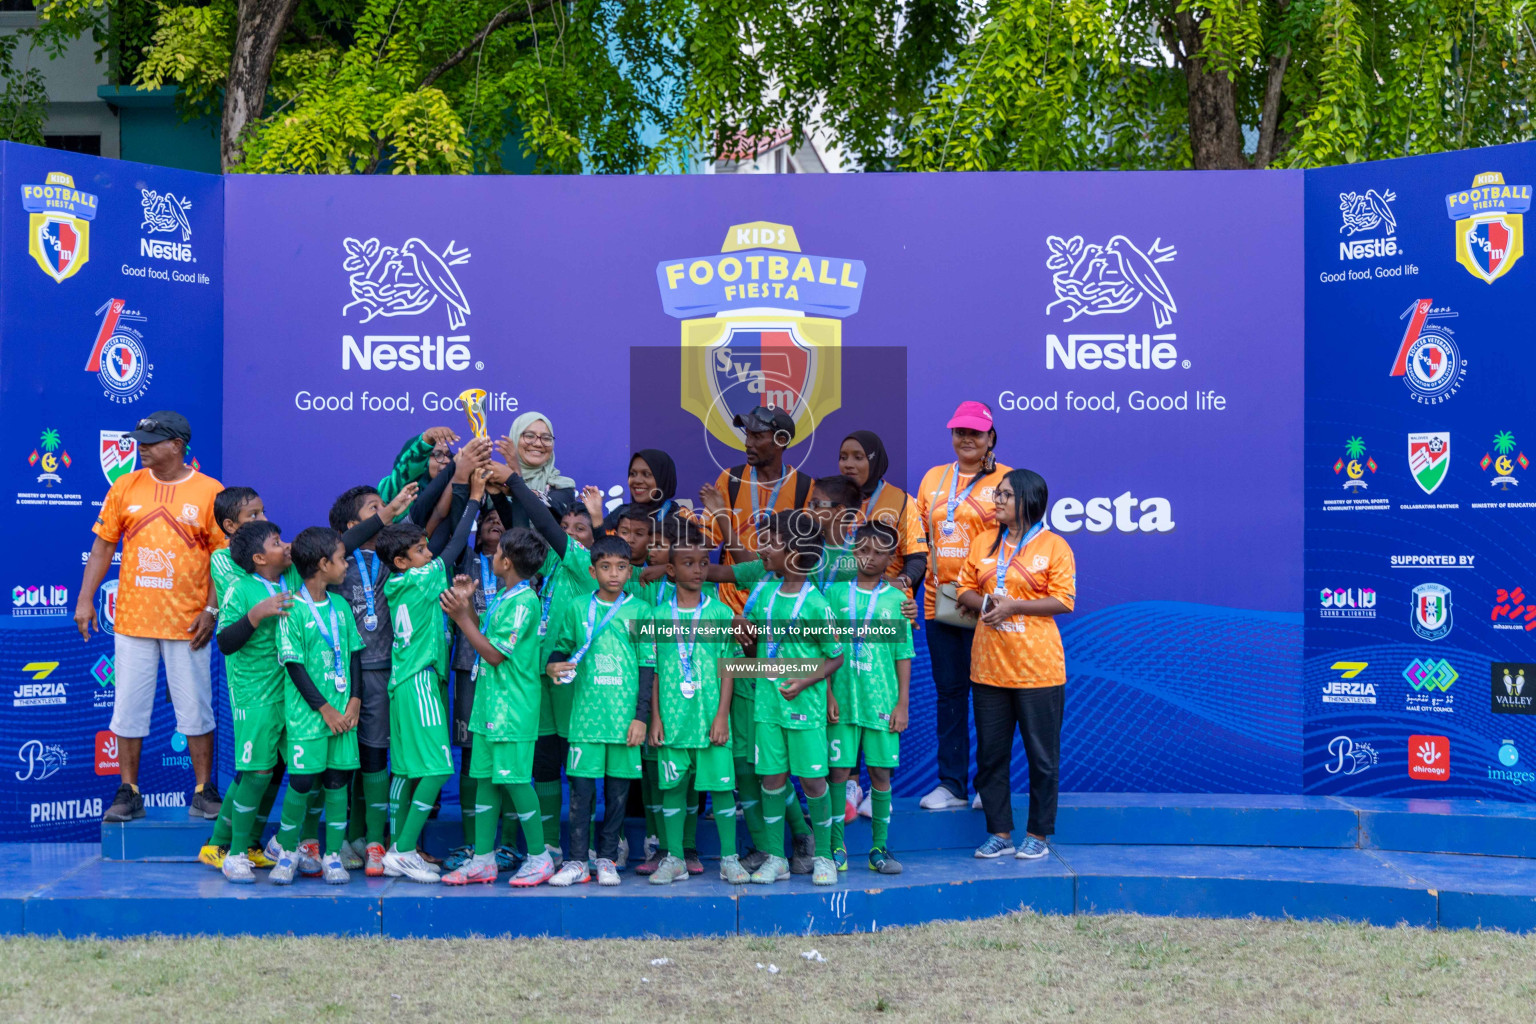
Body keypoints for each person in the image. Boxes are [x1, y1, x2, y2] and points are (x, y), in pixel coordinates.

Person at [75, 411, 229, 824]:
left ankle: (202, 790)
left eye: (151, 440)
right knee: (127, 708)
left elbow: (223, 559)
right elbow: (104, 545)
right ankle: (129, 791)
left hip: (188, 622)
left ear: (177, 445)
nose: (140, 446)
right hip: (132, 620)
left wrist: (212, 609)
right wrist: (86, 599)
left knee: (196, 708)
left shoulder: (209, 491)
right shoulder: (125, 486)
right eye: (140, 439)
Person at [328, 462, 459, 877]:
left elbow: (428, 519)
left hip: (389, 669)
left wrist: (452, 471)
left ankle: (375, 842)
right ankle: (347, 837)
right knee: (349, 757)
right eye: (375, 510)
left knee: (380, 755)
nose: (387, 513)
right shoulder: (335, 559)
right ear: (353, 524)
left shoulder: (395, 558)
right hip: (346, 672)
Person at [955, 469, 1075, 861]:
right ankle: (999, 832)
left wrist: (1014, 606)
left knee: (1042, 757)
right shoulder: (983, 542)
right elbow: (964, 590)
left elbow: (1063, 600)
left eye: (1006, 495)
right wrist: (986, 603)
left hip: (1038, 669)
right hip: (988, 667)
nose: (998, 500)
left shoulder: (1055, 546)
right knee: (991, 755)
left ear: (1029, 499)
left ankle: (1038, 835)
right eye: (997, 494)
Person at [375, 469, 486, 883]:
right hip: (420, 681)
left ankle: (395, 848)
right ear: (402, 561)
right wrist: (473, 499)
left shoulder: (397, 583)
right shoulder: (421, 577)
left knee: (405, 772)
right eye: (420, 550)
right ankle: (404, 849)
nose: (428, 553)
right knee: (438, 769)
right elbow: (455, 544)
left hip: (402, 683)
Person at [438, 528, 557, 887]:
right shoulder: (507, 596)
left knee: (517, 782)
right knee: (486, 782)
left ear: (506, 561)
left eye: (498, 551)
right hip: (489, 708)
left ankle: (540, 857)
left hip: (512, 711)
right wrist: (468, 605)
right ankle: (484, 860)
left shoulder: (524, 601)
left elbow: (492, 655)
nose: (492, 556)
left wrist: (460, 617)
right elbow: (484, 639)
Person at [914, 400, 1011, 812]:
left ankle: (988, 786)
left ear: (991, 437)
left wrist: (984, 591)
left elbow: (1017, 542)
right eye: (959, 431)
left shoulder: (1008, 480)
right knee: (950, 694)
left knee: (991, 697)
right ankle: (951, 784)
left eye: (975, 432)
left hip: (987, 605)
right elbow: (920, 539)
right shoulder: (935, 479)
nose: (966, 439)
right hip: (942, 603)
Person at [740, 510, 846, 887]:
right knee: (771, 780)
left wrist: (804, 682)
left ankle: (824, 857)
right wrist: (743, 632)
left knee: (814, 782)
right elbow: (752, 642)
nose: (763, 549)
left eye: (771, 543)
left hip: (804, 706)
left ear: (796, 551)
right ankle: (775, 857)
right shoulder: (764, 592)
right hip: (767, 704)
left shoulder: (816, 603)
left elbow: (835, 656)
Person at [544, 535, 655, 886]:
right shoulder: (577, 607)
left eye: (621, 567)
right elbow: (561, 648)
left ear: (630, 571)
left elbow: (647, 666)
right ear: (592, 571)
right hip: (586, 720)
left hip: (625, 722)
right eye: (605, 567)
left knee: (617, 793)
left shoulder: (641, 611)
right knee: (581, 793)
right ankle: (577, 861)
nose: (614, 574)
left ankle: (606, 859)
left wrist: (641, 717)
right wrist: (552, 666)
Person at [647, 523, 749, 884]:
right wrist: (655, 718)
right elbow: (654, 671)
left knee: (721, 789)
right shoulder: (657, 617)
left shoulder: (721, 614)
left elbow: (729, 668)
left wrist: (722, 715)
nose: (697, 570)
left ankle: (729, 859)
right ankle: (674, 858)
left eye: (703, 563)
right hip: (673, 722)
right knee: (672, 789)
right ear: (671, 570)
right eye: (688, 563)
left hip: (711, 722)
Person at [268, 527, 366, 885]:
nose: (347, 563)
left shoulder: (340, 606)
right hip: (311, 716)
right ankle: (289, 852)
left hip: (344, 715)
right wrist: (325, 709)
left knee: (338, 782)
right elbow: (294, 667)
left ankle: (333, 856)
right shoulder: (292, 609)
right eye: (341, 559)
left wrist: (354, 700)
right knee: (303, 782)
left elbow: (354, 654)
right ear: (323, 564)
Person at [206, 520, 294, 882]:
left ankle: (277, 846)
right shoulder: (241, 589)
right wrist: (257, 614)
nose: (286, 545)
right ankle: (235, 852)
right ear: (259, 558)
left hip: (292, 694)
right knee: (256, 772)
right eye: (277, 542)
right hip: (255, 696)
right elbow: (225, 641)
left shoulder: (292, 581)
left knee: (297, 772)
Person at [824, 521, 912, 874]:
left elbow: (903, 654)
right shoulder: (834, 595)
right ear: (852, 551)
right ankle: (834, 848)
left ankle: (879, 848)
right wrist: (828, 692)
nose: (870, 558)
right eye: (863, 550)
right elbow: (823, 650)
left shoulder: (897, 600)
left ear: (891, 557)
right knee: (838, 773)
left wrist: (902, 704)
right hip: (842, 702)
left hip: (881, 702)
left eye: (879, 552)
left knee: (880, 774)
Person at [704, 407, 814, 612]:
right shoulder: (730, 479)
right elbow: (706, 538)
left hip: (779, 607)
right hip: (730, 608)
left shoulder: (804, 487)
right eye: (747, 435)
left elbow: (804, 556)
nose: (748, 443)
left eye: (757, 436)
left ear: (781, 440)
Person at [837, 431, 927, 591]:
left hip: (885, 605)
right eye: (843, 457)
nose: (848, 464)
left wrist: (901, 582)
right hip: (840, 601)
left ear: (875, 461)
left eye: (858, 457)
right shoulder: (831, 499)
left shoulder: (901, 502)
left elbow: (917, 558)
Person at [493, 412, 576, 528]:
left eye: (546, 438)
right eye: (529, 436)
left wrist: (515, 481)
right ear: (515, 438)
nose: (538, 443)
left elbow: (551, 519)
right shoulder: (496, 482)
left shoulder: (562, 485)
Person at [599, 449, 684, 534]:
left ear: (663, 479)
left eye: (646, 474)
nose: (637, 480)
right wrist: (596, 516)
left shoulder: (683, 517)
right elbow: (599, 545)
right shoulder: (619, 514)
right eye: (633, 474)